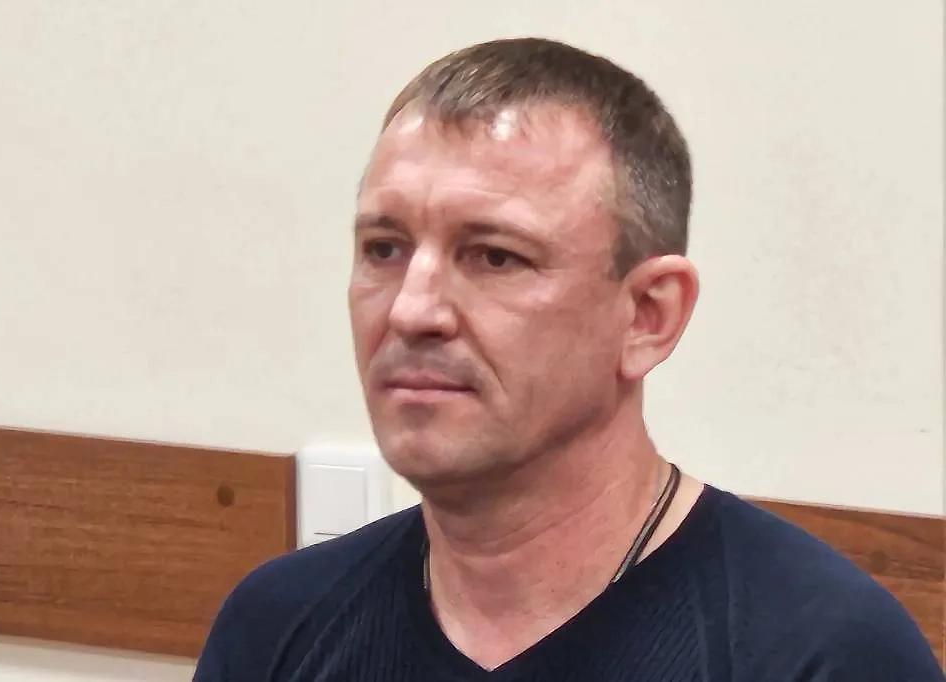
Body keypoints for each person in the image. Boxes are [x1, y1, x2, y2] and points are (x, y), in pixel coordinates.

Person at [193, 37, 943, 681]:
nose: (411, 311)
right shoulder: (277, 628)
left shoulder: (820, 652)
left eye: (494, 256)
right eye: (384, 249)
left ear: (648, 315)